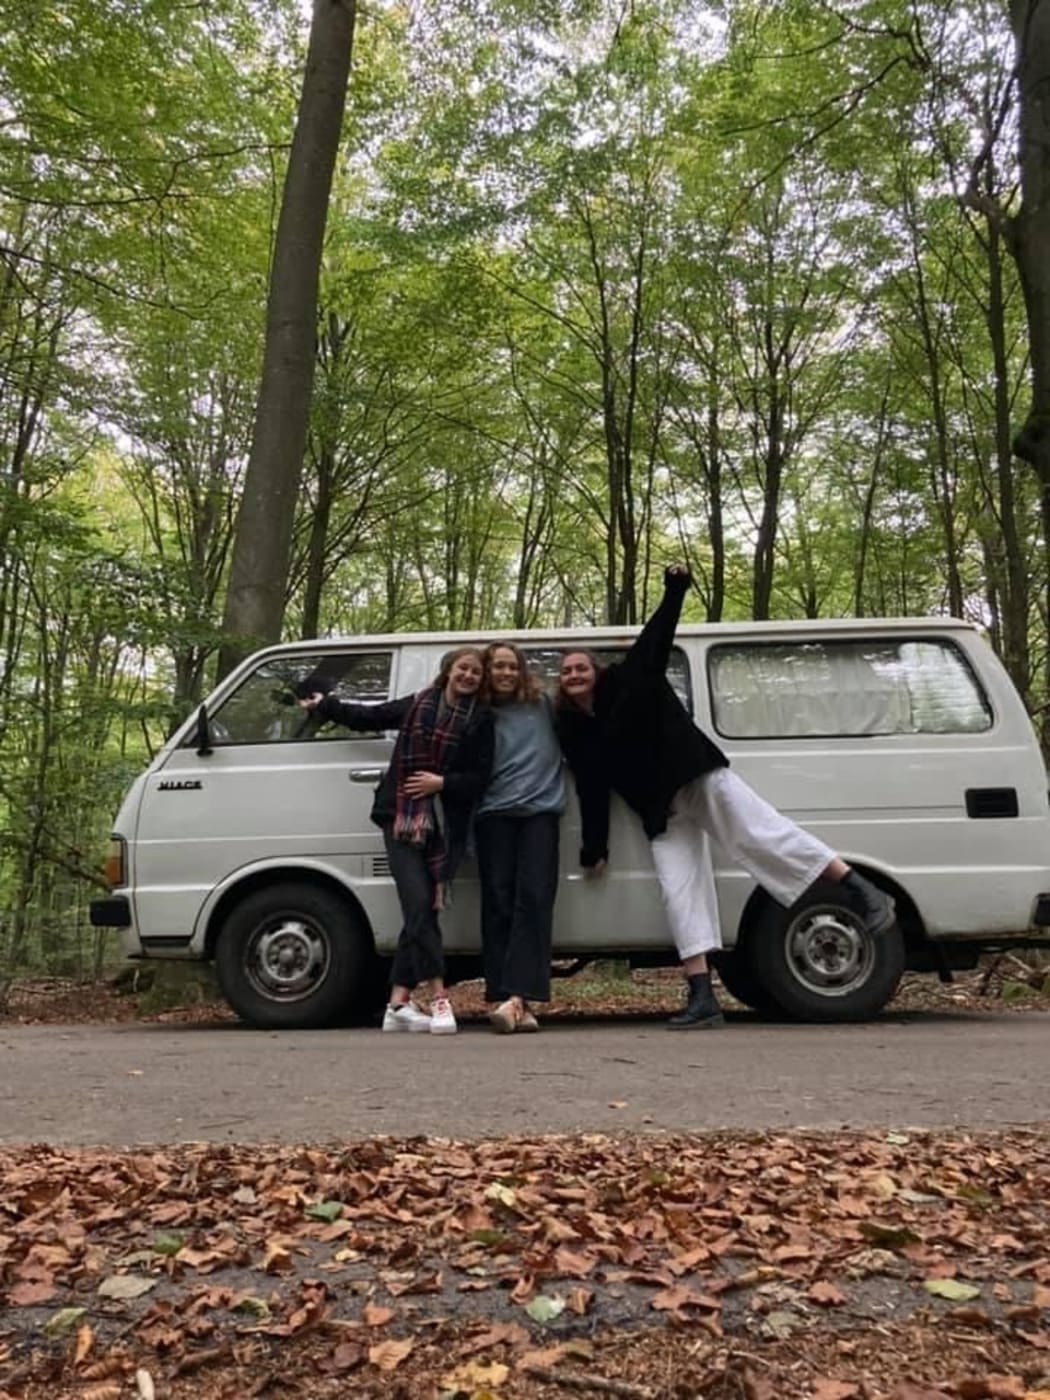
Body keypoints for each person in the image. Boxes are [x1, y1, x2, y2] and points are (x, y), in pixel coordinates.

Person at [555, 566, 895, 1030]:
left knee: (760, 836)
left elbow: (657, 636)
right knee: (679, 893)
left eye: (581, 667)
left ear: (595, 671)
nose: (574, 674)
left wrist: (675, 588)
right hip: (662, 811)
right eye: (566, 671)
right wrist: (594, 848)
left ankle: (862, 889)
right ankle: (702, 997)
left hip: (697, 778)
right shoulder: (576, 731)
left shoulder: (633, 678)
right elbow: (592, 788)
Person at [299, 647, 493, 1036]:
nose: (469, 676)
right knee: (419, 903)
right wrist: (326, 706)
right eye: (463, 668)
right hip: (401, 818)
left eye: (475, 671)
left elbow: (481, 776)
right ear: (448, 671)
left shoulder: (481, 720)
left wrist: (442, 783)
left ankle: (397, 1005)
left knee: (420, 912)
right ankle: (440, 998)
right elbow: (368, 716)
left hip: (446, 825)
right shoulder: (418, 703)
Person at [475, 642, 565, 1033]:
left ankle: (518, 998)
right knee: (497, 901)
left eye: (512, 666)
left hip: (539, 814)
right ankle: (506, 998)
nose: (506, 672)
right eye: (498, 666)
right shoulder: (478, 711)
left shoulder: (544, 704)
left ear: (522, 670)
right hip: (492, 814)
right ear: (488, 670)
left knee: (534, 898)